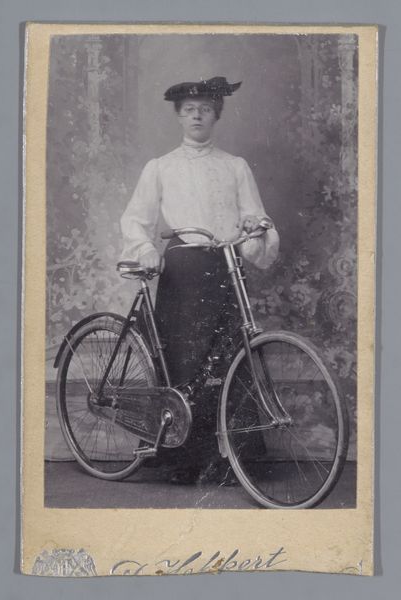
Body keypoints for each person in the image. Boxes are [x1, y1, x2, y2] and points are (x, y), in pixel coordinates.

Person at [120, 76, 279, 483]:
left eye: (205, 109)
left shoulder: (234, 166)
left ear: (216, 115)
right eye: (189, 110)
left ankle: (234, 459)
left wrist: (255, 226)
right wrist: (146, 249)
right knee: (185, 362)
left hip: (226, 268)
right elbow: (135, 219)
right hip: (183, 272)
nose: (197, 116)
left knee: (233, 358)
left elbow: (256, 217)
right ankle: (183, 460)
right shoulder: (161, 167)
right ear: (179, 116)